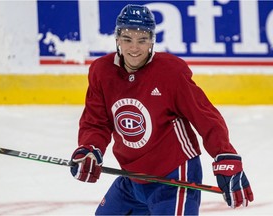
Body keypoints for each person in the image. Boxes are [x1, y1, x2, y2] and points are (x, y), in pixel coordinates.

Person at [70, 4, 254, 215]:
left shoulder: (170, 72)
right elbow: (96, 121)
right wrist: (90, 149)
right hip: (132, 178)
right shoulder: (101, 71)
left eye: (142, 40)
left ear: (152, 41)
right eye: (127, 39)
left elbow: (205, 116)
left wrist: (224, 154)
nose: (134, 48)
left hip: (174, 177)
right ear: (117, 39)